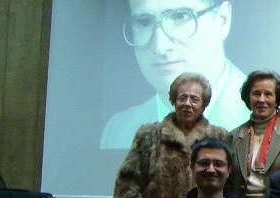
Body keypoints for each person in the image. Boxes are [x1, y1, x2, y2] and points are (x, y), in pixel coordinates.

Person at [101, 0, 247, 149]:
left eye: (180, 16)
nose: (160, 47)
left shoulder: (267, 119)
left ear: (222, 19)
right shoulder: (117, 132)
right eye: (144, 22)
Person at [114, 72, 228, 198]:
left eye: (194, 99)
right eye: (182, 98)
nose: (187, 104)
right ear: (173, 100)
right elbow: (129, 183)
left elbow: (227, 184)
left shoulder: (219, 137)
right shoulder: (149, 135)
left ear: (204, 105)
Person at [227, 70, 280, 198]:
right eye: (256, 94)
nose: (261, 100)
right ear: (248, 98)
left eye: (268, 94)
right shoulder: (233, 136)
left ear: (277, 99)